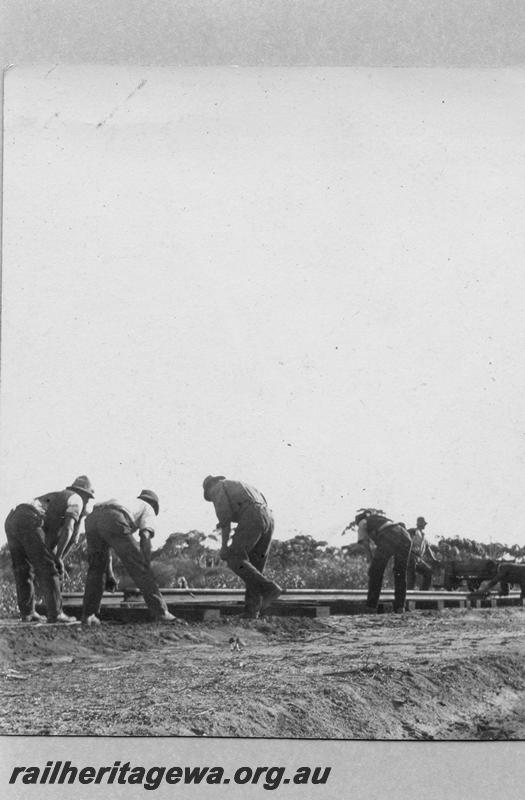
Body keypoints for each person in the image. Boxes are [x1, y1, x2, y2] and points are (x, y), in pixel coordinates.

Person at [4, 475, 95, 623]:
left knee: (23, 569)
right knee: (48, 567)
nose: (87, 501)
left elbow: (65, 539)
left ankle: (27, 613)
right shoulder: (77, 498)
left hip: (13, 518)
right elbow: (68, 529)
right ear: (84, 494)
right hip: (30, 519)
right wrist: (57, 558)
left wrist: (58, 557)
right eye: (88, 497)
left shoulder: (58, 498)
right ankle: (56, 613)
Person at [81, 489, 176, 625]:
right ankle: (161, 612)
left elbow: (106, 549)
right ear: (154, 505)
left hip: (92, 518)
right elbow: (145, 535)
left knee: (96, 569)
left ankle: (88, 615)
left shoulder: (128, 502)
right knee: (141, 569)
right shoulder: (148, 507)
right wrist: (145, 564)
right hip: (114, 517)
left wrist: (109, 573)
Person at [202, 475, 282, 618]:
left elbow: (225, 520)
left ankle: (269, 588)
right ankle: (252, 611)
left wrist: (224, 546)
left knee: (234, 557)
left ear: (209, 488)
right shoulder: (242, 486)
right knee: (254, 567)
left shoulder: (217, 487)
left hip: (253, 515)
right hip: (269, 518)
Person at [353, 508, 412, 613]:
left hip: (390, 535)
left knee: (375, 572)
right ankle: (400, 607)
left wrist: (372, 563)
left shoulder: (362, 522)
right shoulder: (380, 519)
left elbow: (366, 544)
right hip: (405, 535)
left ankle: (371, 606)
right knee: (400, 573)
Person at [406, 516, 440, 591]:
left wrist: (434, 559)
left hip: (418, 558)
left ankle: (422, 596)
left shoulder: (423, 535)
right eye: (423, 523)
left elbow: (428, 548)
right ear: (419, 523)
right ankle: (408, 596)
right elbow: (406, 539)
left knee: (428, 572)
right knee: (411, 577)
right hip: (411, 556)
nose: (424, 525)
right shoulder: (413, 531)